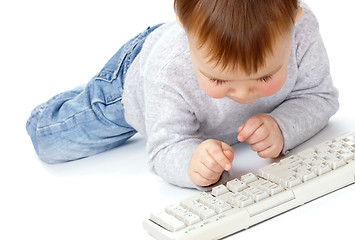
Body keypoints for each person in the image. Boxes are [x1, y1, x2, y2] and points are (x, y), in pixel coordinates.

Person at [26, 0, 339, 189]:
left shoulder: (301, 31)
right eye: (219, 77)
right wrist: (192, 162)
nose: (243, 94)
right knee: (50, 143)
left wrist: (282, 125)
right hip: (133, 86)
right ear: (188, 33)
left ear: (294, 21)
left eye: (265, 75)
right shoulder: (167, 73)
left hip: (188, 47)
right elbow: (164, 147)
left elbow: (320, 96)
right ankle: (60, 106)